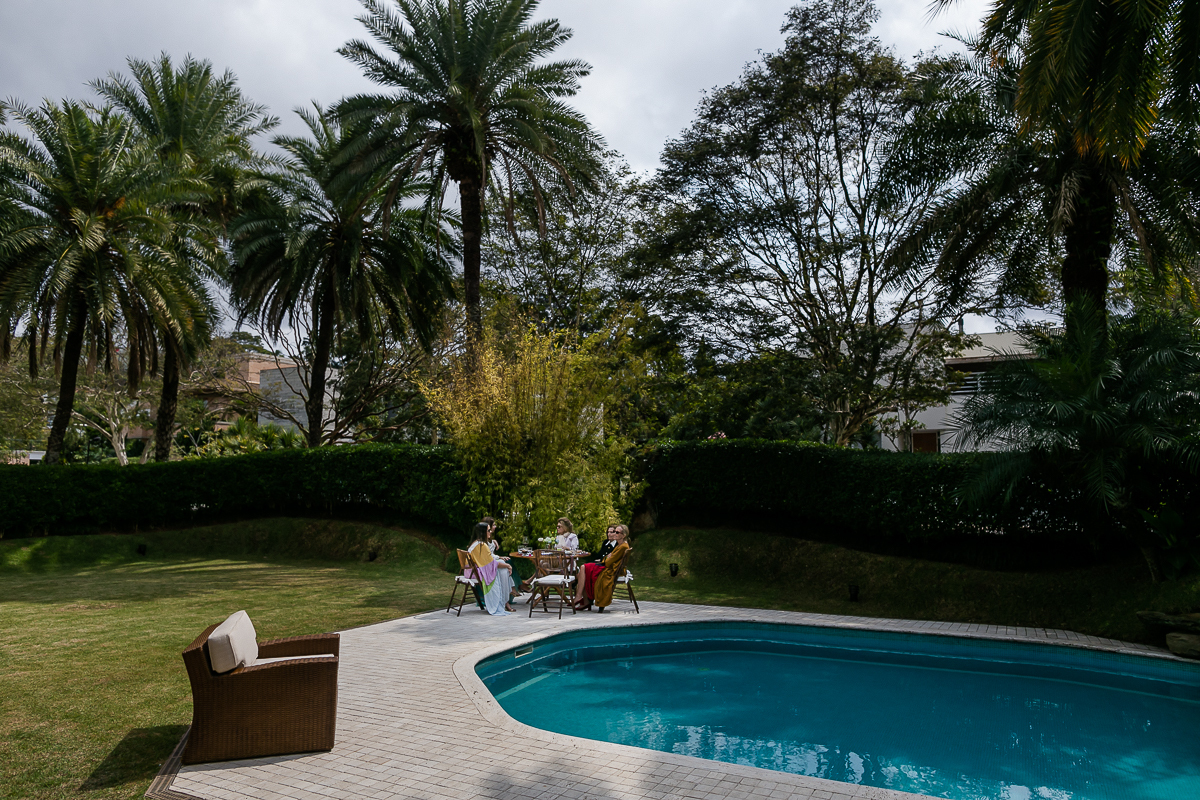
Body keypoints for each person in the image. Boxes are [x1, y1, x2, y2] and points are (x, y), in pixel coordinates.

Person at [573, 524, 630, 612]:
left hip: (609, 569)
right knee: (583, 569)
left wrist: (607, 557)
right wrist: (608, 557)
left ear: (624, 535)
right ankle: (582, 598)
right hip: (606, 565)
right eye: (614, 532)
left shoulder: (623, 547)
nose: (614, 534)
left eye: (617, 532)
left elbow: (608, 562)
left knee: (583, 568)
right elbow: (606, 558)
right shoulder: (620, 545)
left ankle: (582, 598)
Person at [466, 522, 516, 614]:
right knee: (503, 570)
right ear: (483, 532)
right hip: (474, 574)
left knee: (502, 568)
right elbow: (491, 564)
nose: (490, 532)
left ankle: (504, 600)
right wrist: (508, 566)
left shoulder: (477, 543)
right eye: (488, 530)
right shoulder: (481, 546)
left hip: (472, 571)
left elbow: (489, 561)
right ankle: (503, 601)